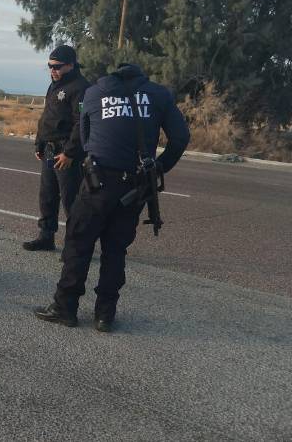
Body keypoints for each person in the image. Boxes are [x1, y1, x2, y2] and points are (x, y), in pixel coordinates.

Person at [33, 63, 190, 332]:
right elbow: (181, 137)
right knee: (115, 250)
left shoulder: (94, 93)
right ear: (142, 76)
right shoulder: (159, 94)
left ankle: (65, 307)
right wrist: (159, 167)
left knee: (78, 243)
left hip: (97, 180)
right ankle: (105, 315)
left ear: (111, 76)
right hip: (136, 184)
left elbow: (84, 136)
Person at [23, 45, 90, 252]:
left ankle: (76, 245)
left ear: (71, 64)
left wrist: (70, 153)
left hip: (66, 152)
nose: (53, 70)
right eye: (50, 66)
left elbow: (82, 123)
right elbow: (47, 117)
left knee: (71, 200)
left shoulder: (80, 87)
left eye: (57, 66)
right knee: (48, 196)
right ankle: (46, 237)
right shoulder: (55, 85)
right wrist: (39, 143)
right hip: (50, 150)